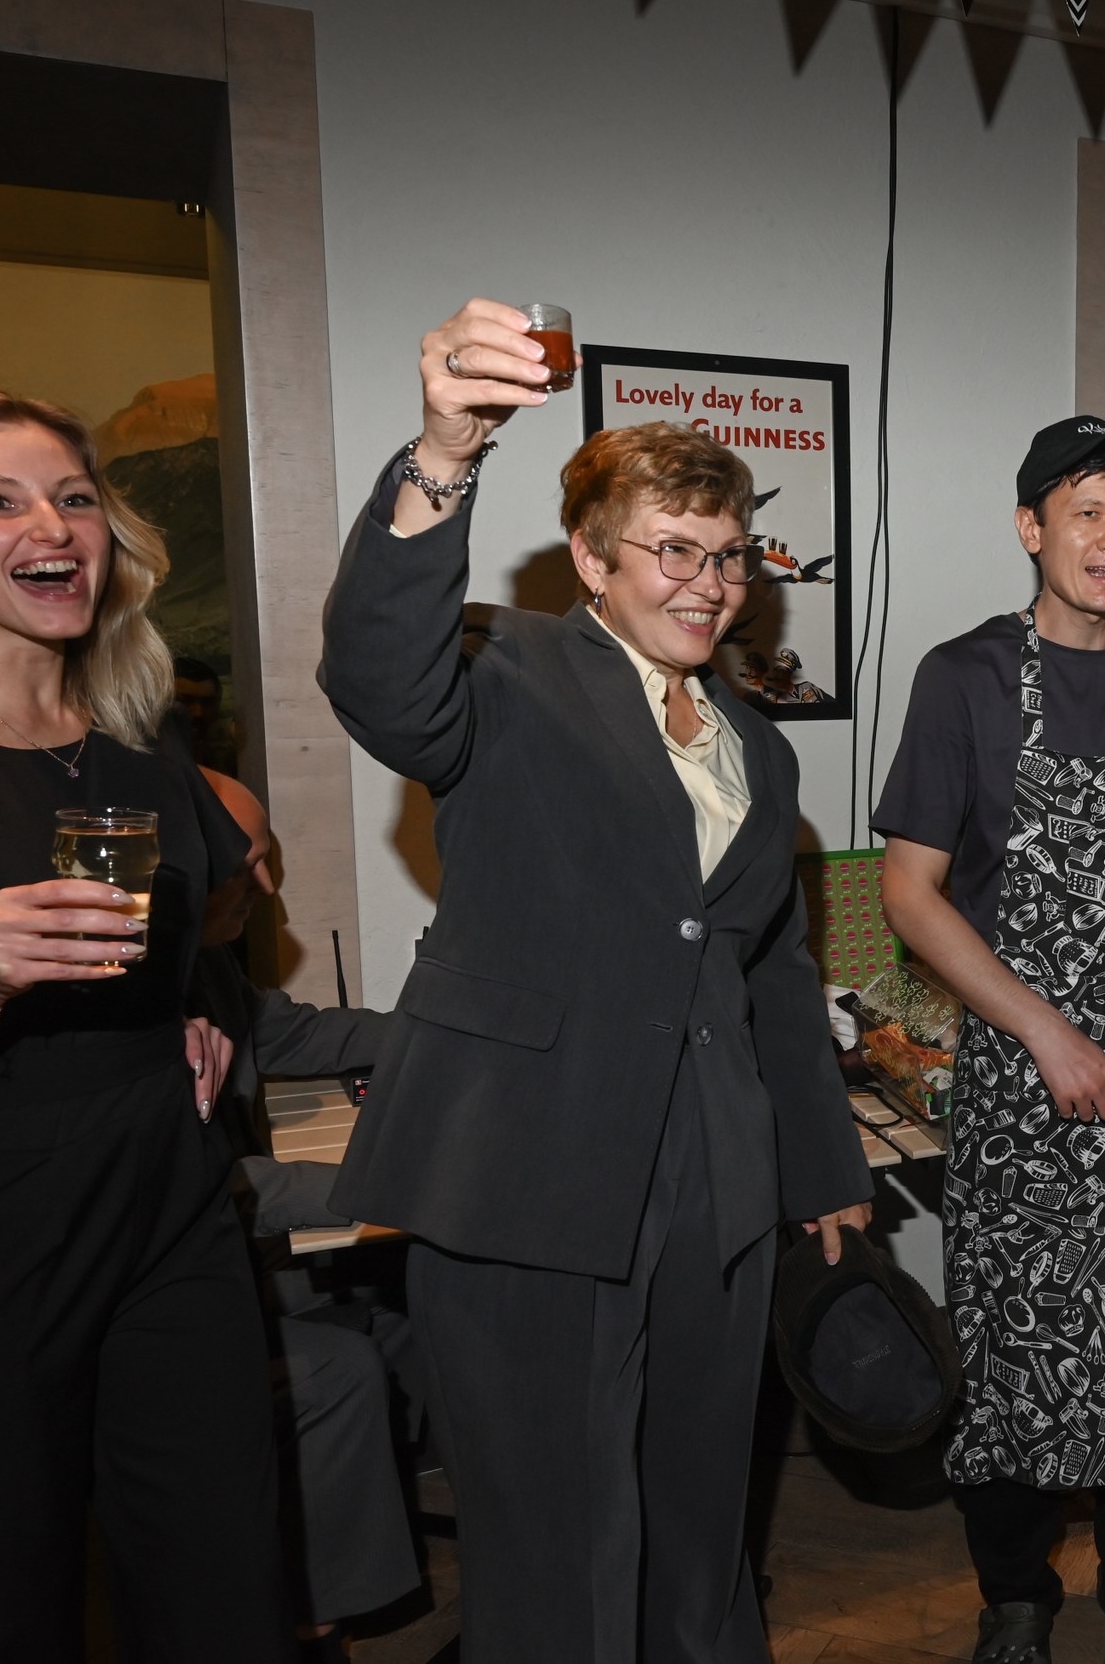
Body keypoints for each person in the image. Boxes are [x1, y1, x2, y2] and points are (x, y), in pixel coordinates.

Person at [318, 298, 874, 1663]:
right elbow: (376, 677)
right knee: (556, 1541)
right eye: (673, 549)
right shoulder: (505, 667)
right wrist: (445, 451)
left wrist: (823, 1164)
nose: (708, 582)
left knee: (702, 1514)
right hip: (528, 1169)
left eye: (728, 555)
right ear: (590, 558)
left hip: (712, 1180)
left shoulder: (757, 745)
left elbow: (773, 969)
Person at [0, 386, 280, 1661]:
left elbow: (188, 939)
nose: (51, 524)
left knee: (229, 1587)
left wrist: (193, 1014)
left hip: (167, 1204)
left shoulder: (144, 744)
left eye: (75, 497)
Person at [875, 416, 1105, 1664]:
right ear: (1031, 528)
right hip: (1026, 1077)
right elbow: (910, 892)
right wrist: (1044, 1032)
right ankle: (1014, 1593)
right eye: (1087, 512)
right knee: (1021, 1340)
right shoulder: (964, 675)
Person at [190, 768, 422, 1653]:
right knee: (344, 1364)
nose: (268, 886)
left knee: (420, 1311)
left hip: (235, 1259)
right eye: (247, 865)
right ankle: (310, 1620)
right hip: (190, 1285)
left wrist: (443, 1036)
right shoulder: (130, 995)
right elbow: (219, 1184)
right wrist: (383, 1180)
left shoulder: (206, 963)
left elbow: (295, 1031)